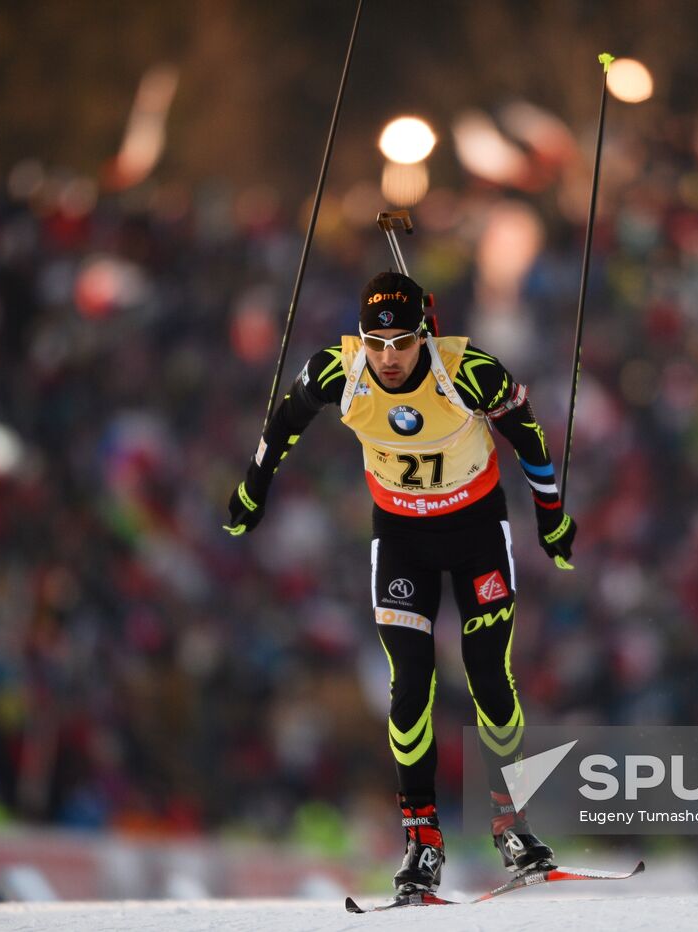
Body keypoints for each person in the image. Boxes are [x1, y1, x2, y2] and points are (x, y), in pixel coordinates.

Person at [225, 271, 577, 894]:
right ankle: (423, 841)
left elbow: (529, 437)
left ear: (426, 334)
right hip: (402, 538)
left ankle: (513, 824)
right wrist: (254, 488)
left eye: (402, 343)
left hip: (475, 531)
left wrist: (552, 518)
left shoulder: (468, 370)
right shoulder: (340, 369)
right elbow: (284, 424)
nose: (388, 357)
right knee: (410, 684)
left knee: (489, 676)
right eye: (375, 342)